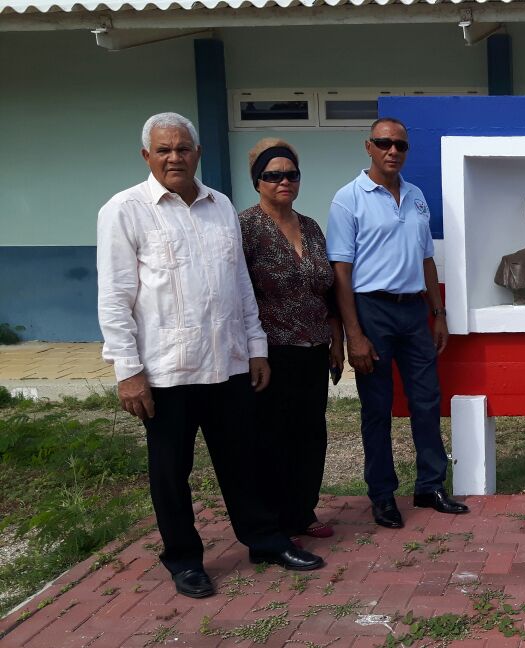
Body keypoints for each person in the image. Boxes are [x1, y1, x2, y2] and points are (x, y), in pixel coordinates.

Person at [96, 112, 324, 600]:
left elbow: (240, 285)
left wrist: (256, 348)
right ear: (147, 156)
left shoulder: (219, 206)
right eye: (164, 150)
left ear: (197, 153)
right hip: (165, 369)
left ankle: (264, 540)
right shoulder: (124, 210)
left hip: (228, 363)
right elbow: (114, 297)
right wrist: (127, 371)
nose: (175, 156)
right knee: (171, 471)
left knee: (245, 461)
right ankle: (183, 559)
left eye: (183, 148)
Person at [327, 117, 469, 530]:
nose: (393, 151)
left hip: (413, 311)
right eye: (384, 143)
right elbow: (341, 269)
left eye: (400, 145)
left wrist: (438, 313)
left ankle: (430, 485)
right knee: (377, 406)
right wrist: (354, 333)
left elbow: (426, 259)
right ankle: (383, 494)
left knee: (426, 400)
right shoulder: (348, 198)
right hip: (371, 309)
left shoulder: (416, 195)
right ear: (368, 146)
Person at [239, 138, 343, 540]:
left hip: (314, 349)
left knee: (311, 433)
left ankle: (302, 511)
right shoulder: (245, 228)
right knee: (271, 436)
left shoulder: (311, 226)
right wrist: (251, 352)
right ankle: (272, 519)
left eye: (291, 174)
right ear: (258, 181)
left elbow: (327, 289)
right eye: (273, 175)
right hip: (270, 351)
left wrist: (337, 340)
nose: (284, 181)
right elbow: (238, 293)